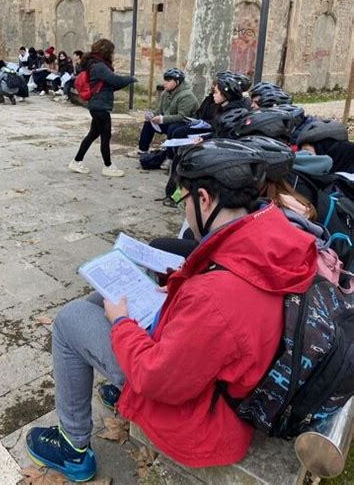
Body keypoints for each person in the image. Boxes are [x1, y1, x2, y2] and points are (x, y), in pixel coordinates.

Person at [25, 139, 317, 481]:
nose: (185, 210)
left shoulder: (216, 300)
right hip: (223, 376)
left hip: (204, 418)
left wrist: (120, 322)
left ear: (204, 199)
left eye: (184, 200)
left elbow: (155, 377)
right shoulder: (269, 230)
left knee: (69, 321)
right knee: (95, 302)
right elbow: (223, 286)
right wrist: (179, 287)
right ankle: (109, 392)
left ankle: (72, 448)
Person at [68, 39, 136, 178]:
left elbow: (112, 85)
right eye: (112, 52)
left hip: (97, 105)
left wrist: (126, 82)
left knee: (93, 134)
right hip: (99, 106)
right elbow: (116, 80)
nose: (113, 54)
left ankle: (77, 161)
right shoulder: (99, 66)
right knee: (105, 137)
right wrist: (131, 78)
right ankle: (108, 166)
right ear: (106, 51)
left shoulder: (96, 64)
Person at [127, 69, 199, 158]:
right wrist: (151, 114)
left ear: (177, 82)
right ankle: (142, 150)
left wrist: (162, 119)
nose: (165, 83)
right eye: (165, 80)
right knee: (149, 123)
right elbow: (159, 110)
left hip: (185, 124)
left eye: (168, 81)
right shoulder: (165, 93)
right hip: (169, 121)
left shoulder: (187, 96)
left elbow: (182, 116)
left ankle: (169, 157)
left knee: (173, 128)